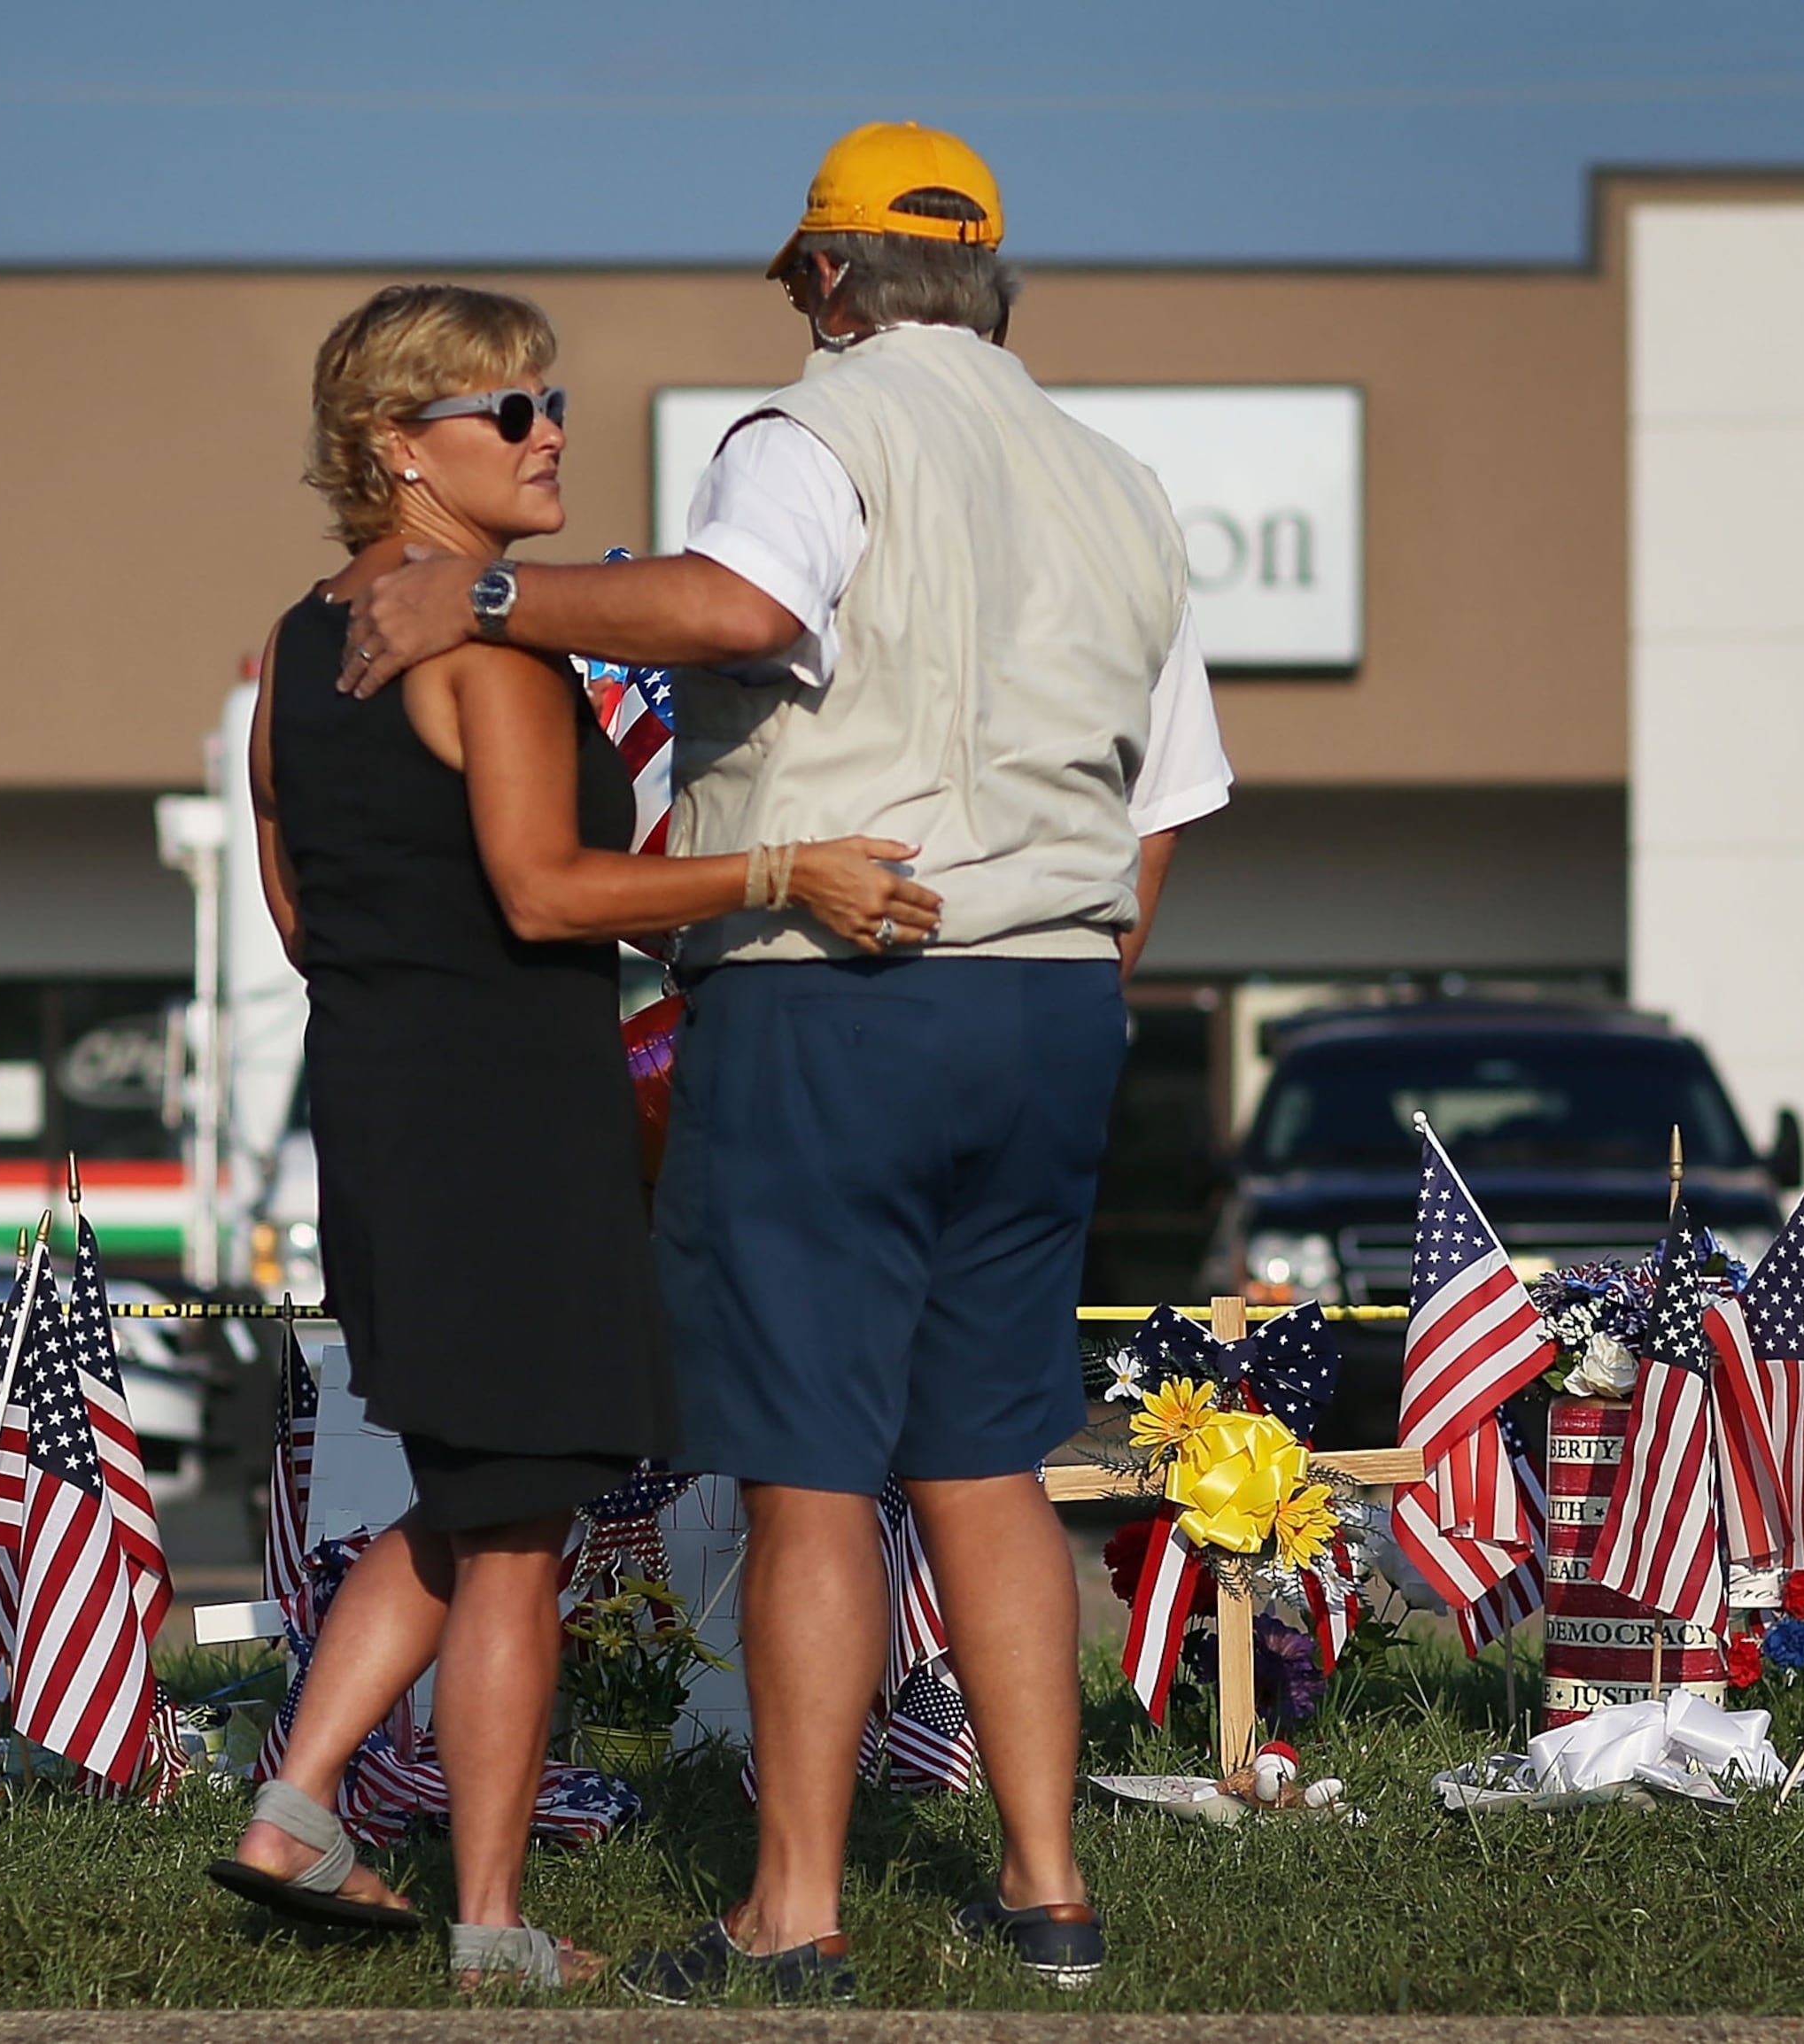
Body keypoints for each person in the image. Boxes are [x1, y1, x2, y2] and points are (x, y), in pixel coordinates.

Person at [337, 126, 1234, 2003]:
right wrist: (1060, 947)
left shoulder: (811, 431)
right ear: (994, 280)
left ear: (825, 279)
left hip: (841, 989)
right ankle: (1050, 1886)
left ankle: (794, 1907)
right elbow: (1169, 805)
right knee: (991, 1452)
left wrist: (491, 598)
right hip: (1058, 998)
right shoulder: (1121, 482)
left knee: (816, 1471)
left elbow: (743, 608)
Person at [204, 283, 942, 1993]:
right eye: (507, 412)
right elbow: (548, 893)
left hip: (381, 1104)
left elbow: (302, 910)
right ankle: (492, 1923)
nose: (552, 435)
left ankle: (299, 1805)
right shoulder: (483, 644)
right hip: (510, 1122)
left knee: (480, 1491)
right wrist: (785, 871)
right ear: (399, 447)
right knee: (520, 1531)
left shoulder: (298, 649)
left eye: (552, 401)